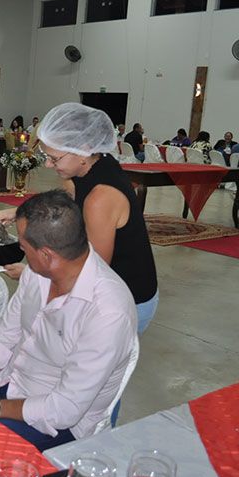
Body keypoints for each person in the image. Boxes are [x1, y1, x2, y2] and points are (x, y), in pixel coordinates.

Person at [0, 190, 138, 451]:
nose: (20, 251)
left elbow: (64, 409)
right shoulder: (38, 274)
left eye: (23, 247)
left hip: (55, 421)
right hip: (10, 381)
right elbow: (3, 336)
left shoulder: (108, 312)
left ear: (46, 255)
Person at [29, 103, 157, 333]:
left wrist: (35, 277)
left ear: (83, 150)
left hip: (127, 299)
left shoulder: (101, 197)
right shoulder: (90, 166)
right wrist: (22, 214)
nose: (48, 164)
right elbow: (67, 205)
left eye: (54, 158)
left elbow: (95, 269)